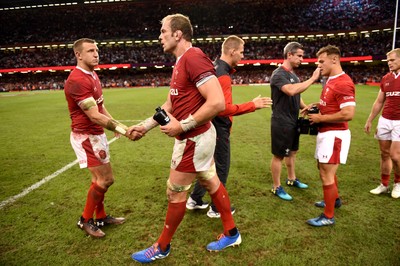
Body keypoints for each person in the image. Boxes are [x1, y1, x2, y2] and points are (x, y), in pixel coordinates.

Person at [128, 14, 241, 263]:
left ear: (178, 34)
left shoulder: (193, 57)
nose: (160, 36)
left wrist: (182, 125)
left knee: (175, 193)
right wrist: (145, 126)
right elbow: (170, 103)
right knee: (211, 183)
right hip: (197, 138)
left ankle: (162, 246)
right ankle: (232, 233)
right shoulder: (181, 62)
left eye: (163, 31)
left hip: (194, 139)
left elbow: (217, 102)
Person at [186, 35, 272, 218]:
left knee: (208, 165)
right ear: (232, 51)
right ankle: (217, 208)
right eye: (241, 52)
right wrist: (252, 105)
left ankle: (195, 199)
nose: (242, 56)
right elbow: (222, 109)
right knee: (221, 168)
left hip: (208, 127)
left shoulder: (213, 68)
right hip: (219, 129)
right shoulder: (223, 75)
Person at [64, 38, 141, 238]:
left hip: (96, 134)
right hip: (86, 136)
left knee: (99, 180)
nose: (96, 54)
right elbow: (94, 115)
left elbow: (100, 107)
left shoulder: (93, 75)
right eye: (90, 51)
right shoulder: (77, 79)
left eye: (96, 50)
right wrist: (124, 130)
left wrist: (115, 123)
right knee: (106, 179)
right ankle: (85, 220)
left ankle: (101, 217)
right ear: (78, 55)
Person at [304, 45, 356, 227]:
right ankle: (335, 200)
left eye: (321, 61)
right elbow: (331, 103)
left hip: (335, 134)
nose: (319, 66)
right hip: (326, 132)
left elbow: (348, 113)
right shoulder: (330, 80)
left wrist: (320, 117)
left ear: (334, 59)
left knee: (327, 173)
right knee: (323, 169)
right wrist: (316, 104)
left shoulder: (343, 82)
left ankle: (328, 215)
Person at [269, 42, 321, 201]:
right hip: (281, 121)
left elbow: (297, 95)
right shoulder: (278, 74)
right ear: (289, 55)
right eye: (299, 56)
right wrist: (312, 79)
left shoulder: (293, 75)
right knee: (279, 155)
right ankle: (276, 187)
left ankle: (291, 179)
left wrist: (305, 107)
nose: (302, 59)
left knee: (292, 152)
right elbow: (291, 91)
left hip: (293, 121)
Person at [364, 48, 400, 199]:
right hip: (385, 119)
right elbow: (379, 101)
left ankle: (398, 183)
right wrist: (370, 120)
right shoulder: (386, 78)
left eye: (392, 60)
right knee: (384, 154)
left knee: (395, 155)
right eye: (388, 61)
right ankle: (384, 185)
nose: (389, 63)